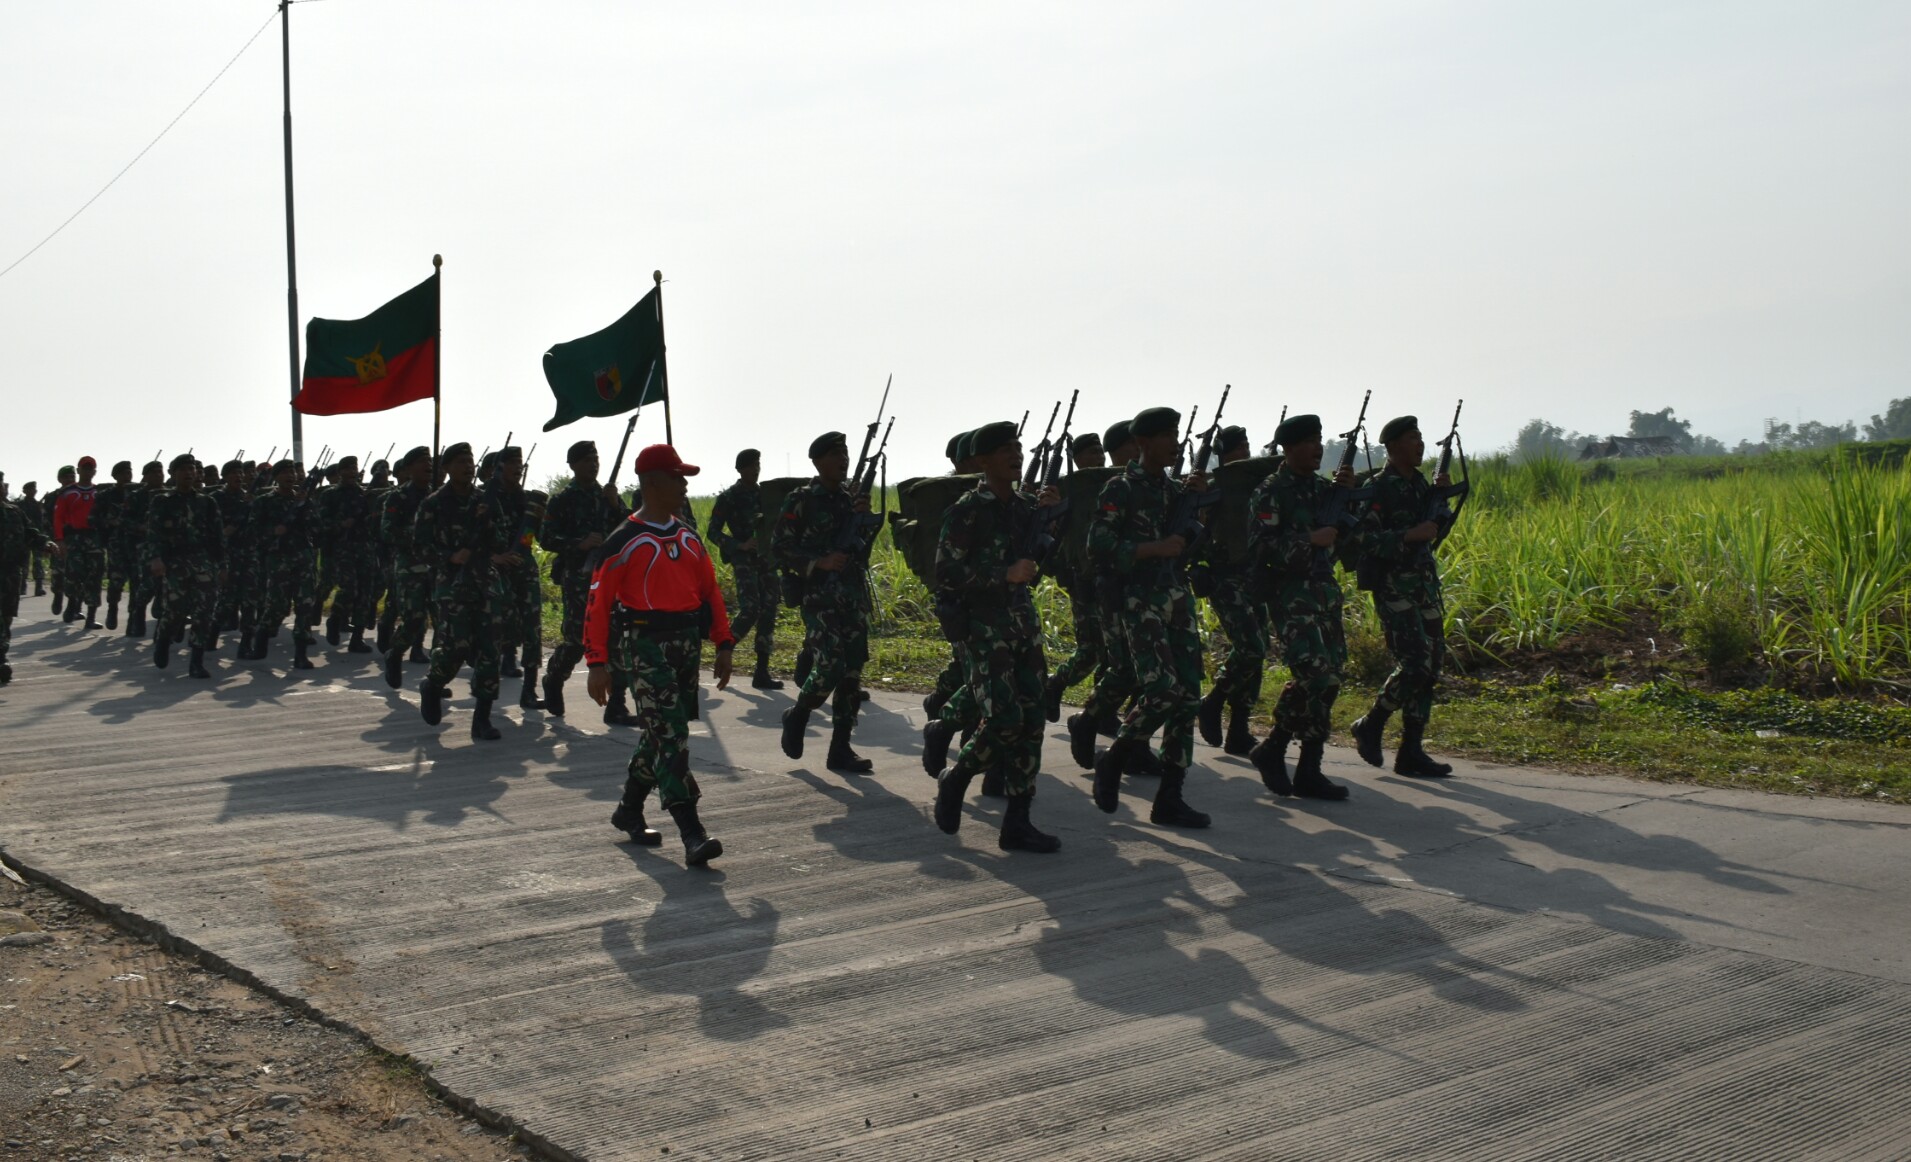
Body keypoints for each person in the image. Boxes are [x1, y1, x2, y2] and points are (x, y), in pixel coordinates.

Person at [585, 443, 735, 866]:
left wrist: (723, 643)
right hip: (646, 643)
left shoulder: (688, 534)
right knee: (671, 735)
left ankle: (629, 809)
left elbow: (710, 590)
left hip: (686, 643)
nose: (685, 485)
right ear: (652, 483)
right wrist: (597, 663)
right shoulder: (624, 541)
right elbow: (597, 605)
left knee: (658, 733)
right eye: (676, 477)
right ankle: (692, 831)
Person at [928, 420, 1063, 852]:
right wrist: (1002, 574)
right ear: (984, 461)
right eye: (1006, 449)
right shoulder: (968, 510)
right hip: (984, 629)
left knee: (1033, 721)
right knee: (1005, 720)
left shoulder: (1025, 507)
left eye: (1019, 447)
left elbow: (1039, 556)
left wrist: (1051, 522)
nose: (1016, 455)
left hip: (1022, 624)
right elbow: (946, 573)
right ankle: (958, 776)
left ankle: (1018, 822)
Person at [1084, 407, 1212, 828]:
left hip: (1177, 597)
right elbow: (1099, 545)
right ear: (1143, 443)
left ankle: (1170, 798)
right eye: (1168, 436)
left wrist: (1196, 507)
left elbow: (1191, 539)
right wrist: (1152, 548)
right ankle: (1115, 758)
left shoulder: (1175, 490)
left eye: (1177, 434)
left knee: (1188, 697)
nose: (1176, 443)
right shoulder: (1120, 487)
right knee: (1162, 689)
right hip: (1140, 599)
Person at [1246, 414, 1352, 800]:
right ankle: (1287, 755)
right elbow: (1262, 546)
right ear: (1289, 448)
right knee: (1315, 675)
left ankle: (1293, 759)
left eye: (1320, 440)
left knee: (1330, 679)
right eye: (1309, 441)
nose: (1317, 447)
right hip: (1291, 597)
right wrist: (1311, 538)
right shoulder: (1272, 491)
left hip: (1324, 593)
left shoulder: (1324, 490)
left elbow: (1349, 536)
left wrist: (1347, 499)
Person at [1347, 416, 1455, 779]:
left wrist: (1441, 501)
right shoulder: (1379, 488)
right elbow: (1363, 538)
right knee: (1415, 664)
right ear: (1393, 447)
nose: (1420, 445)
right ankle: (1372, 722)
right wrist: (1409, 534)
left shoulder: (1421, 484)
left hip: (1423, 583)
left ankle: (1411, 750)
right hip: (1394, 585)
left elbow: (1434, 531)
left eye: (1422, 438)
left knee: (1432, 666)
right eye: (1413, 439)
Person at [773, 431, 876, 774]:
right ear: (817, 462)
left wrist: (864, 519)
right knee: (830, 665)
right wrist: (819, 562)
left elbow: (862, 551)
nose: (843, 460)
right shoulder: (801, 499)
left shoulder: (851, 499)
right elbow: (780, 548)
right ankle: (798, 713)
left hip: (852, 596)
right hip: (819, 596)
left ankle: (841, 749)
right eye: (835, 454)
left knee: (850, 674)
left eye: (845, 453)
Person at [415, 443, 516, 741]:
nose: (468, 467)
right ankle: (432, 685)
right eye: (460, 462)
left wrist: (487, 523)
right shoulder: (433, 504)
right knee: (456, 648)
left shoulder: (486, 500)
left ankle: (482, 719)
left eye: (470, 462)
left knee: (489, 653)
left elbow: (502, 541)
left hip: (486, 583)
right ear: (446, 468)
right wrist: (449, 556)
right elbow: (419, 547)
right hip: (453, 587)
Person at [537, 439, 633, 722]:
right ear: (573, 465)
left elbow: (629, 527)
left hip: (610, 577)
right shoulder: (562, 500)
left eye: (596, 459)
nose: (593, 465)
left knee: (615, 637)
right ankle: (554, 676)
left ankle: (617, 704)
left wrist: (616, 506)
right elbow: (546, 538)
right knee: (577, 640)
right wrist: (579, 543)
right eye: (587, 460)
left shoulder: (607, 496)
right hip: (578, 579)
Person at [1195, 425, 1269, 756]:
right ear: (1225, 455)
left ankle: (1239, 727)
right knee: (1251, 646)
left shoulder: (1256, 484)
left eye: (1248, 446)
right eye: (1240, 448)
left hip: (1255, 575)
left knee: (1259, 650)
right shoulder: (1212, 489)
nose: (1246, 453)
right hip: (1224, 576)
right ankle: (1213, 701)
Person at [705, 448, 783, 689]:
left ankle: (761, 671)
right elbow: (713, 532)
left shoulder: (765, 495)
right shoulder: (729, 497)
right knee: (750, 609)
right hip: (744, 560)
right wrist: (738, 544)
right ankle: (725, 649)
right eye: (750, 466)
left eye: (758, 464)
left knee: (769, 609)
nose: (755, 469)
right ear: (740, 469)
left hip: (765, 560)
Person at [143, 454, 227, 678]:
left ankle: (196, 661)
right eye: (183, 470)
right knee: (175, 610)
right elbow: (154, 533)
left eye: (192, 469)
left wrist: (222, 565)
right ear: (173, 474)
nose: (189, 473)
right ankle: (163, 639)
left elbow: (218, 536)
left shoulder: (207, 502)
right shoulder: (162, 501)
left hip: (203, 561)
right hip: (175, 563)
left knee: (204, 611)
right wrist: (156, 558)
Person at [485, 446, 547, 710]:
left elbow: (535, 537)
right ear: (499, 467)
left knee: (533, 630)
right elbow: (469, 537)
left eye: (520, 464)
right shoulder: (485, 499)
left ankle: (529, 691)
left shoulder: (527, 501)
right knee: (496, 631)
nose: (518, 468)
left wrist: (540, 523)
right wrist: (495, 557)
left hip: (524, 569)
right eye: (513, 463)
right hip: (493, 572)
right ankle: (486, 697)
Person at [245, 459, 317, 669]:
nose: (290, 476)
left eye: (292, 472)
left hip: (303, 558)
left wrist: (305, 508)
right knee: (277, 606)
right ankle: (261, 637)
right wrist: (272, 532)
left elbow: (317, 526)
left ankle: (301, 654)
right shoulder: (264, 502)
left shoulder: (304, 500)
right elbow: (252, 531)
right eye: (285, 472)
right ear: (276, 477)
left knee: (305, 605)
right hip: (278, 560)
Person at [379, 448, 436, 683]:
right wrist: (416, 534)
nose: (428, 466)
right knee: (413, 620)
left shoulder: (438, 496)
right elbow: (387, 531)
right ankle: (395, 653)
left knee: (444, 624)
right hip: (410, 567)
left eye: (430, 462)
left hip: (437, 567)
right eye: (423, 462)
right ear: (409, 468)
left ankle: (435, 679)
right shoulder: (398, 497)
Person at [315, 456, 379, 654]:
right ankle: (335, 617)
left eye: (355, 468)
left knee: (365, 592)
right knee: (349, 588)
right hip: (342, 548)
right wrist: (340, 525)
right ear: (340, 472)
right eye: (348, 468)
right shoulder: (330, 495)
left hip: (364, 547)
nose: (353, 472)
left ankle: (357, 638)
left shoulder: (363, 494)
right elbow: (320, 523)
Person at [51, 456, 104, 628]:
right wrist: (60, 540)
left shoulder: (100, 493)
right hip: (74, 539)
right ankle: (72, 602)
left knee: (95, 577)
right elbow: (58, 518)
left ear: (94, 471)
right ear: (79, 470)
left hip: (94, 538)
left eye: (91, 468)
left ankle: (90, 617)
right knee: (74, 575)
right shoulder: (68, 493)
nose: (88, 471)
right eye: (84, 468)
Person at [43, 467, 73, 613]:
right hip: (58, 540)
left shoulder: (80, 494)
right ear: (60, 479)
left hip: (77, 541)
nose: (70, 480)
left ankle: (74, 605)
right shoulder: (52, 497)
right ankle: (58, 595)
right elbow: (46, 520)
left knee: (77, 574)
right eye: (66, 477)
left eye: (72, 476)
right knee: (58, 572)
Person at [18, 481, 48, 598]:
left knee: (38, 562)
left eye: (34, 489)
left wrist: (43, 538)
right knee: (23, 562)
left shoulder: (38, 505)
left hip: (37, 537)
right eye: (30, 489)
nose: (33, 491)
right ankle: (22, 586)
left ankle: (39, 587)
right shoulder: (20, 505)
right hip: (24, 536)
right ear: (25, 491)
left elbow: (42, 522)